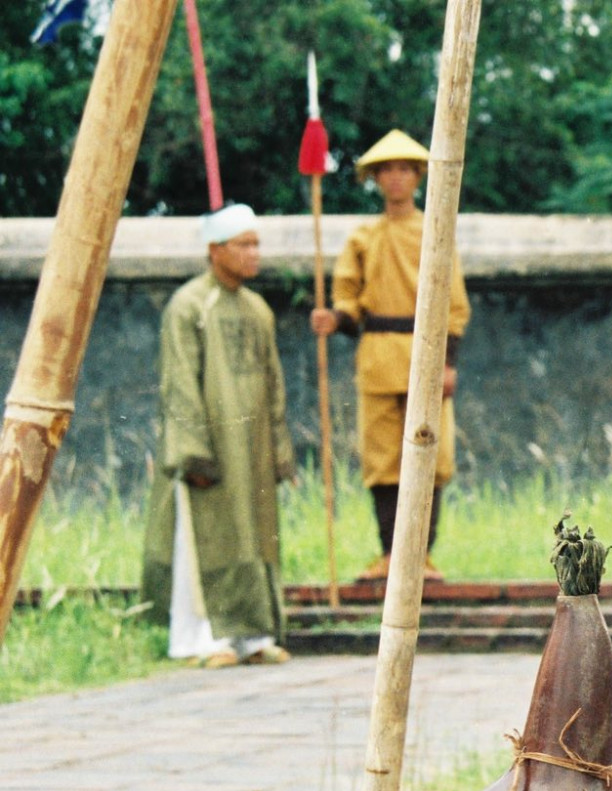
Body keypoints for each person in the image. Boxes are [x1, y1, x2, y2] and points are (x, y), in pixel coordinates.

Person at [310, 129, 471, 582]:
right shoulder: (363, 237)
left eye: (404, 170)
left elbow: (454, 304)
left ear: (417, 177)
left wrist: (448, 362)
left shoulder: (436, 231)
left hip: (426, 353)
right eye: (387, 171)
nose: (396, 179)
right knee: (382, 459)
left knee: (432, 455)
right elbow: (348, 299)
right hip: (379, 354)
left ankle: (421, 556)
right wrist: (335, 320)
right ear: (377, 179)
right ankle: (389, 554)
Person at [140, 205, 295, 668]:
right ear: (215, 251)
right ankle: (202, 639)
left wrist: (280, 453)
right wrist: (193, 453)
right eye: (244, 245)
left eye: (256, 244)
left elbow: (274, 386)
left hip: (252, 449)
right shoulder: (189, 306)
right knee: (206, 537)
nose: (254, 254)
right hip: (211, 450)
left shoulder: (258, 309)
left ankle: (253, 636)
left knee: (255, 536)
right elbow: (179, 384)